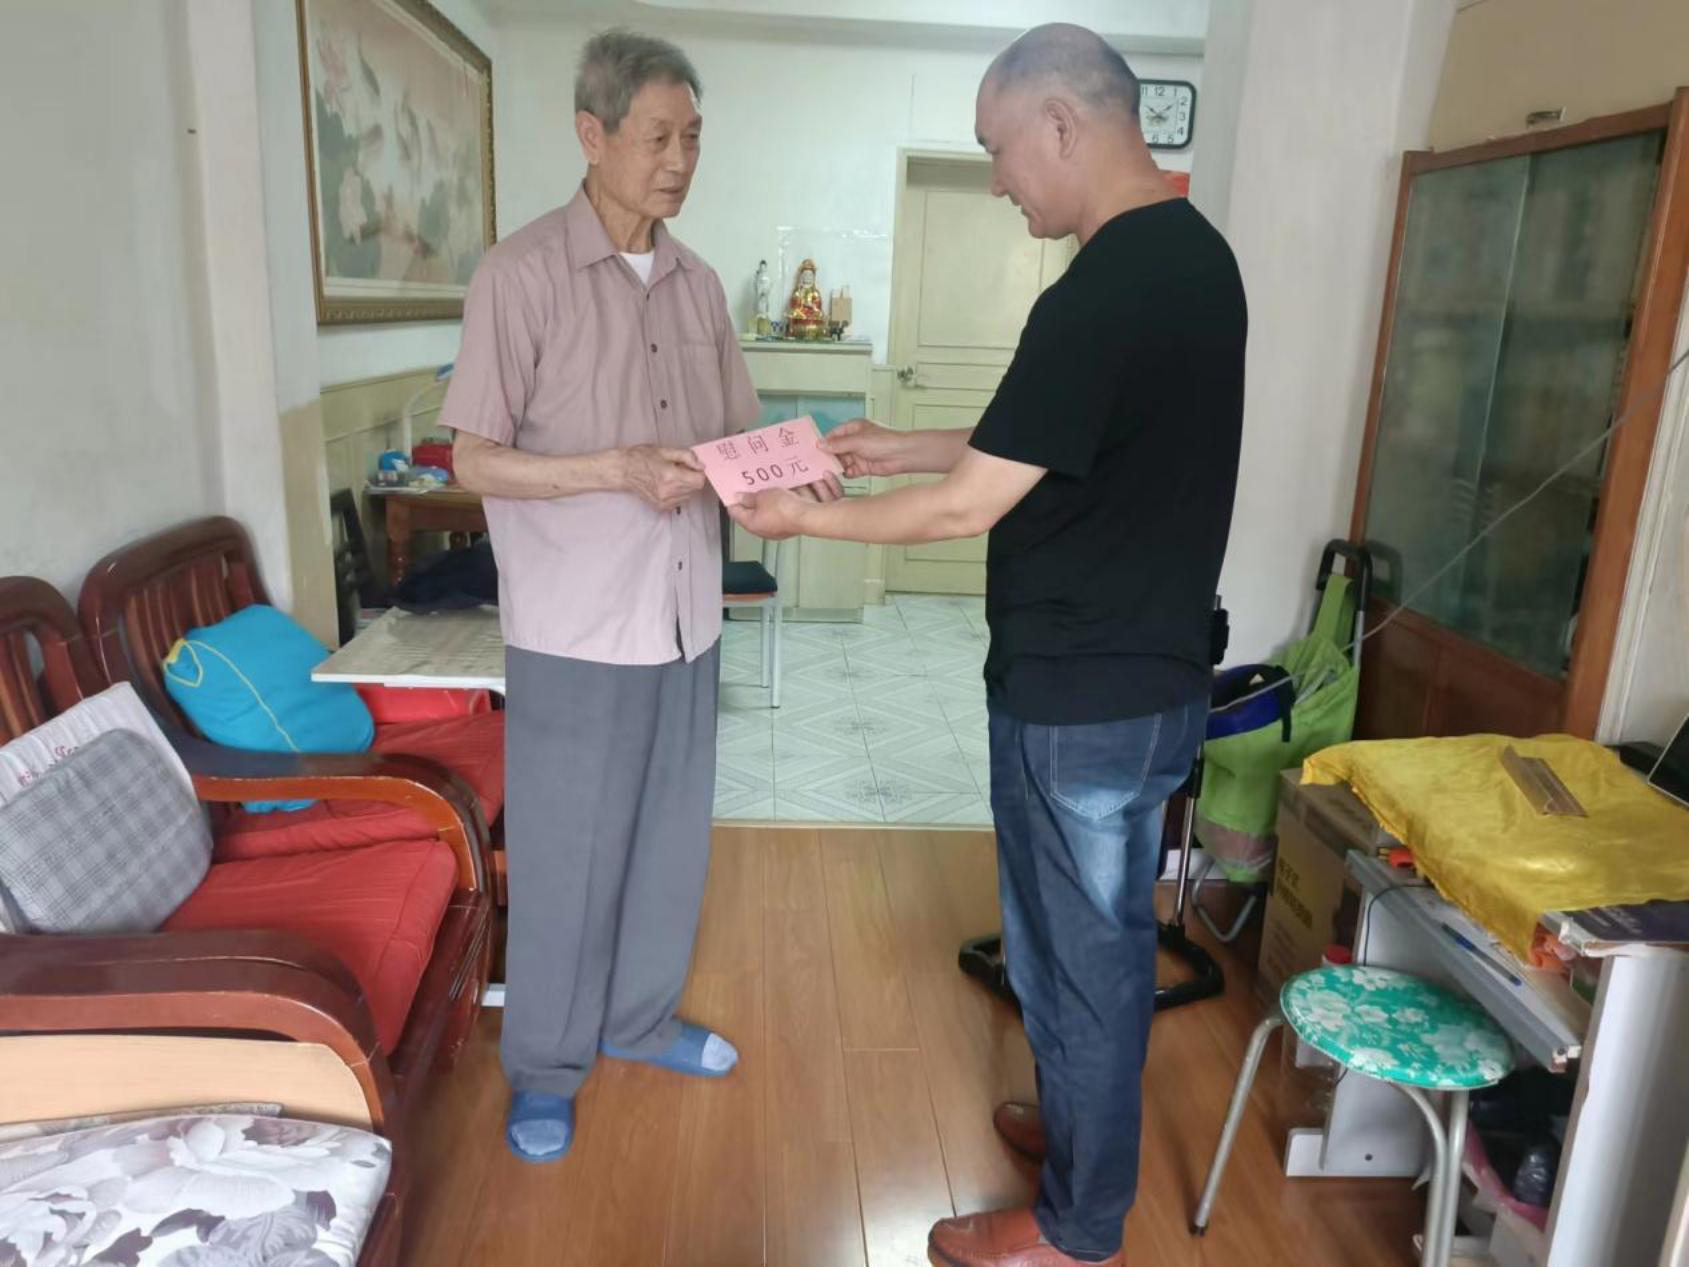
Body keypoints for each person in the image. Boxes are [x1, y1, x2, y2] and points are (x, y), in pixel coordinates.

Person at [729, 23, 1247, 1267]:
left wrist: (806, 516)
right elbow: (1051, 434)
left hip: (1084, 701)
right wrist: (894, 445)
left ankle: (1075, 1229)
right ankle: (1078, 1145)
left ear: (1062, 123)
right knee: (1082, 949)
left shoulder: (1101, 289)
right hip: (1139, 681)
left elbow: (969, 507)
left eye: (998, 149)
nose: (1001, 178)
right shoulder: (1192, 260)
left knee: (1080, 965)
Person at [443, 29, 788, 1163]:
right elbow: (474, 458)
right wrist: (614, 468)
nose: (679, 159)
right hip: (578, 625)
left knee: (669, 838)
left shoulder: (698, 284)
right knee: (567, 854)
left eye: (692, 137)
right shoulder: (520, 275)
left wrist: (792, 477)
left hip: (686, 615)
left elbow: (734, 442)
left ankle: (639, 1020)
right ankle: (546, 1066)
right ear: (591, 136)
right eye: (656, 137)